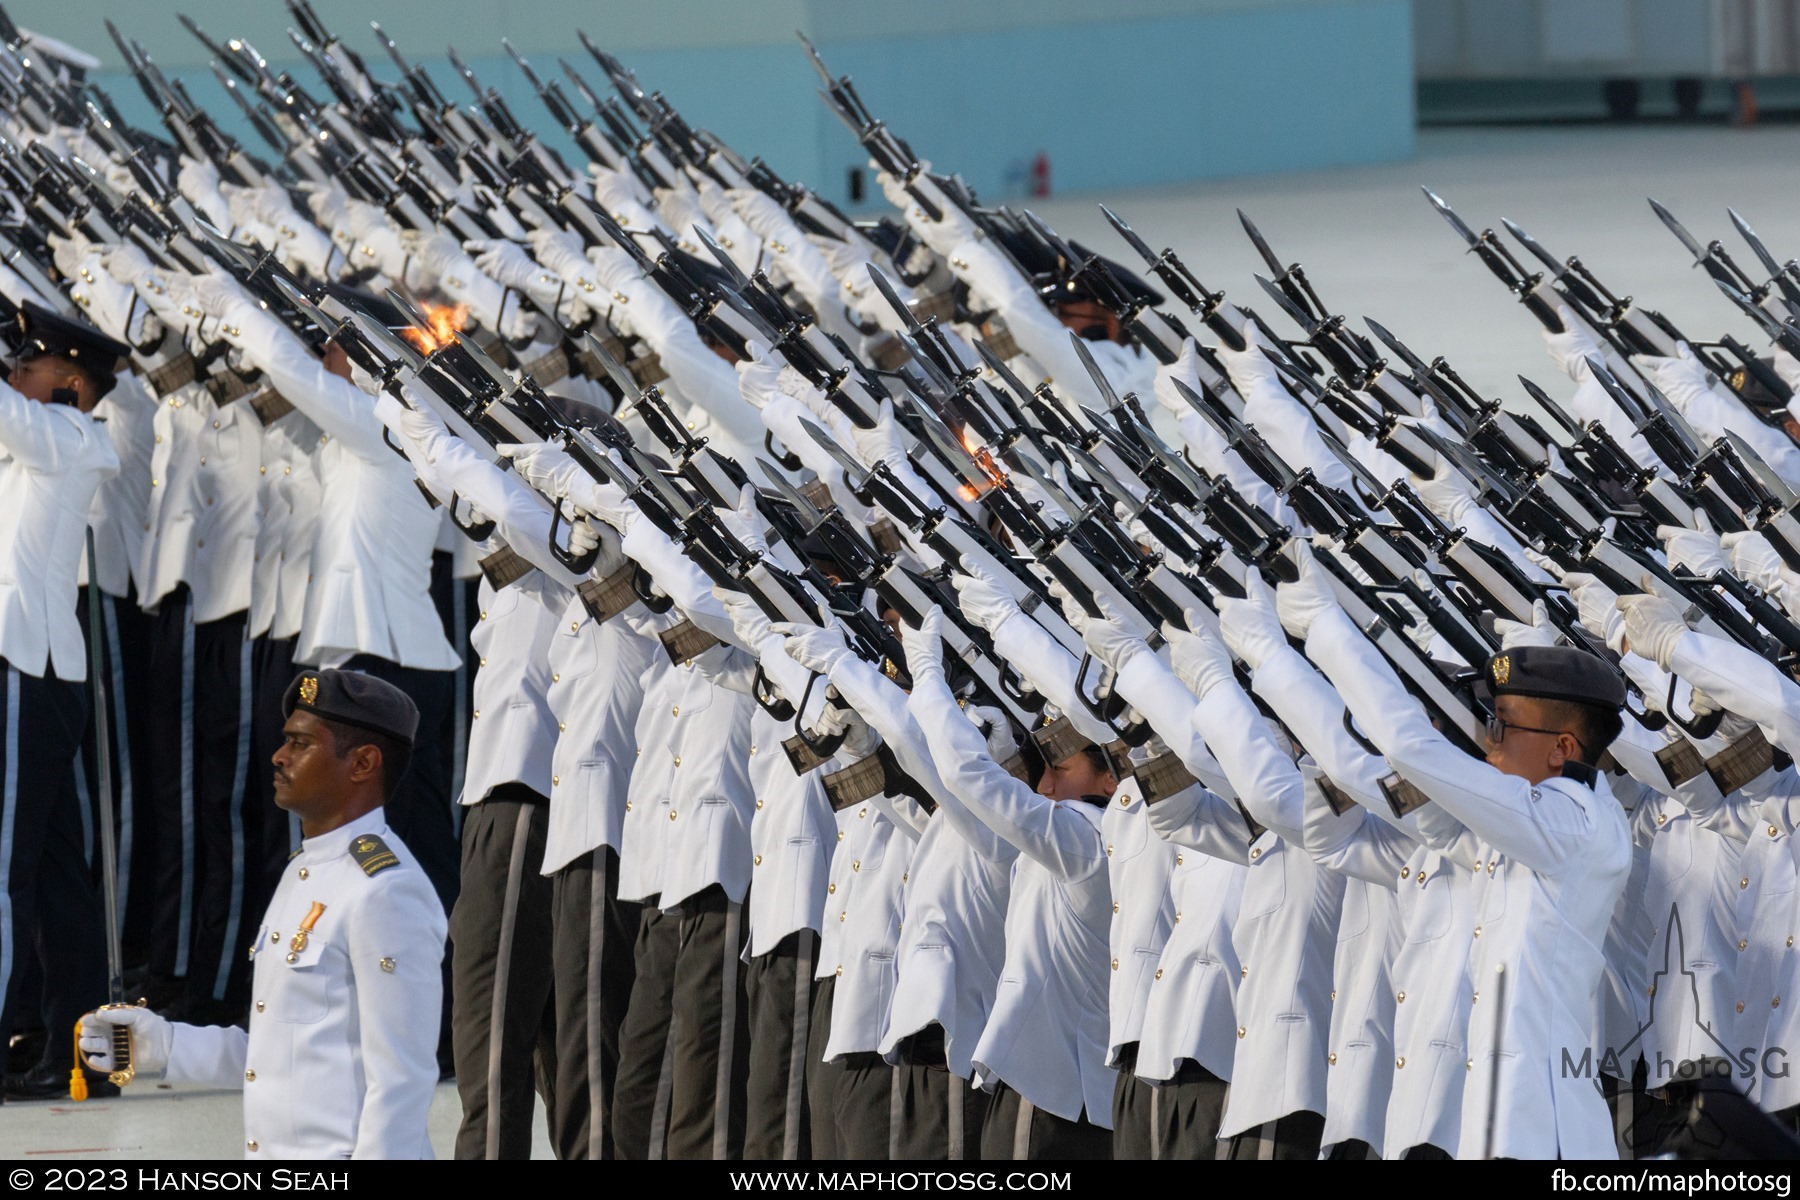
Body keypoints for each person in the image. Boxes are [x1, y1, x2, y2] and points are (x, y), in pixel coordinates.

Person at [1283, 548, 1633, 1159]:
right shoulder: (1529, 829)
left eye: (1501, 726)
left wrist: (1327, 628)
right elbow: (1389, 784)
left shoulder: (1570, 824)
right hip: (1496, 1129)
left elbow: (1409, 749)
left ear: (1562, 747)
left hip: (1543, 1135)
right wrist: (1282, 665)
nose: (1487, 743)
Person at [76, 668, 446, 1158]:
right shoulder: (305, 869)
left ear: (363, 763)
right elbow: (283, 1053)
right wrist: (165, 1045)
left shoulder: (385, 890)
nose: (279, 755)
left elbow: (402, 1080)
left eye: (300, 743)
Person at [0, 303, 125, 1101]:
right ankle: (89, 1058)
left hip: (26, 670)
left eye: (30, 361)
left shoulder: (76, 439)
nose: (17, 370)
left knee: (10, 869)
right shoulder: (35, 445)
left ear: (72, 382)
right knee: (55, 880)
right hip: (35, 669)